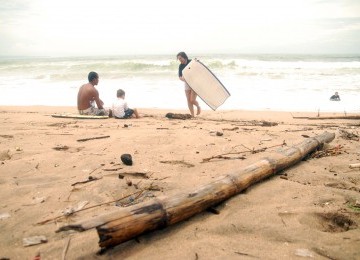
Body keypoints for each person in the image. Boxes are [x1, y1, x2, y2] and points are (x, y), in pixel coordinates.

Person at [177, 52, 201, 117]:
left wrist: (197, 62)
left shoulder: (191, 62)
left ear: (184, 57)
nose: (180, 60)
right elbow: (180, 76)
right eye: (179, 59)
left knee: (192, 100)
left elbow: (199, 69)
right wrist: (184, 79)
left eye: (180, 58)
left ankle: (198, 107)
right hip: (187, 83)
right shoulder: (180, 66)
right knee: (188, 100)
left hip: (195, 83)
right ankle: (192, 115)